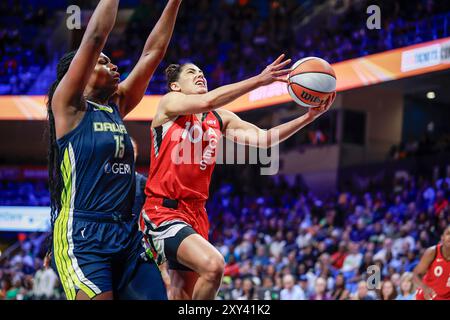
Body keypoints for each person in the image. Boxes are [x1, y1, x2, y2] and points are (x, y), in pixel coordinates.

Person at [139, 55, 336, 300]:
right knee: (213, 266)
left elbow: (265, 139)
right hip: (163, 211)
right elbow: (208, 100)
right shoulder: (169, 104)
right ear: (176, 86)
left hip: (197, 213)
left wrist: (309, 117)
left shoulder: (220, 118)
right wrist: (259, 81)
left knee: (181, 293)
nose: (200, 74)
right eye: (191, 72)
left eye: (201, 71)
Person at [46, 0, 181, 300]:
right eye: (103, 62)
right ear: (78, 76)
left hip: (125, 234)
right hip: (83, 235)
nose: (114, 66)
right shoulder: (68, 106)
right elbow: (95, 36)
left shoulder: (115, 107)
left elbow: (152, 53)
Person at [413, 225, 450, 300]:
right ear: (442, 237)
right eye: (448, 233)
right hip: (428, 295)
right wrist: (424, 288)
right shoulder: (432, 252)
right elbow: (416, 274)